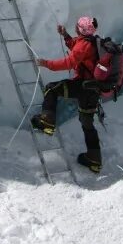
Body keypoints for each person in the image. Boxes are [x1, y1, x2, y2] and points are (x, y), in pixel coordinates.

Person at [31, 15, 104, 173]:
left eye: (78, 26)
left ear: (81, 29)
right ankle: (94, 159)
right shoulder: (91, 41)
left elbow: (69, 62)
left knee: (52, 88)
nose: (76, 27)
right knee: (87, 124)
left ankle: (47, 122)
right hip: (93, 90)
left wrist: (46, 64)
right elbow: (78, 50)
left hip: (83, 87)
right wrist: (65, 36)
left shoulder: (84, 44)